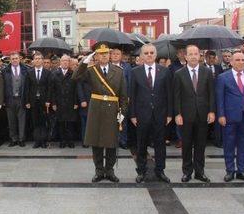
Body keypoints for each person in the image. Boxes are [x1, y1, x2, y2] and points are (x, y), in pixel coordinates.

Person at [72, 44, 127, 183]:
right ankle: (98, 171)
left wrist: (123, 112)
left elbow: (123, 95)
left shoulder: (118, 71)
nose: (103, 56)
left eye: (106, 53)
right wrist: (85, 61)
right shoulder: (91, 70)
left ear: (109, 55)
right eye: (100, 53)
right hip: (96, 109)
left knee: (111, 142)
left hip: (112, 109)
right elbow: (75, 77)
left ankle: (109, 170)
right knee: (96, 142)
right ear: (96, 56)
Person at [129, 44, 173, 183]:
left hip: (160, 115)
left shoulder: (165, 71)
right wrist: (132, 115)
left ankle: (160, 171)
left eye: (151, 52)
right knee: (141, 145)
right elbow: (132, 95)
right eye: (146, 53)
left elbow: (169, 94)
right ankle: (141, 171)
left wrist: (170, 114)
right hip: (142, 115)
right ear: (141, 56)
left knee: (160, 145)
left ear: (155, 55)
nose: (149, 55)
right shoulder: (135, 72)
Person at [216, 52, 244, 182]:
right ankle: (230, 171)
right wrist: (221, 115)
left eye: (243, 60)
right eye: (238, 60)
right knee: (229, 144)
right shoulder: (223, 77)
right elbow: (219, 99)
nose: (241, 62)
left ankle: (241, 170)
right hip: (229, 117)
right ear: (231, 62)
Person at [173, 45, 215, 182]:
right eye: (190, 54)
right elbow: (176, 96)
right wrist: (177, 114)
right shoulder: (179, 74)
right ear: (185, 56)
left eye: (195, 54)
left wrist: (212, 111)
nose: (193, 56)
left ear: (199, 56)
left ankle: (199, 172)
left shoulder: (207, 72)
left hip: (203, 115)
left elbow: (211, 94)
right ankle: (187, 172)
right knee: (186, 145)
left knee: (200, 145)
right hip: (185, 116)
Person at [25, 52, 53, 148]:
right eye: (35, 59)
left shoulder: (47, 73)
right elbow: (27, 88)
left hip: (44, 101)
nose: (37, 60)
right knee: (35, 122)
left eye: (39, 58)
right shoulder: (29, 73)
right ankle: (37, 141)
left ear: (42, 60)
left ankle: (44, 141)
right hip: (33, 101)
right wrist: (27, 101)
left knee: (44, 122)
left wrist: (48, 100)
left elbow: (50, 88)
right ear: (33, 61)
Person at [52, 54, 78, 148]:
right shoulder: (55, 73)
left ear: (69, 62)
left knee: (70, 123)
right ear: (60, 62)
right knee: (61, 122)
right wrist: (54, 103)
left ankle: (70, 141)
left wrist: (76, 102)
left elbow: (76, 89)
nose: (65, 62)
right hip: (59, 102)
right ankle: (62, 141)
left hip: (70, 102)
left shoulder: (73, 73)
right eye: (63, 61)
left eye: (67, 61)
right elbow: (52, 90)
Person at [2, 52, 28, 147]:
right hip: (10, 99)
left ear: (19, 59)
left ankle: (21, 139)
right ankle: (13, 139)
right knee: (11, 120)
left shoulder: (25, 69)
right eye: (13, 59)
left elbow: (28, 86)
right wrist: (3, 100)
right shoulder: (5, 71)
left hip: (21, 98)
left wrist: (27, 99)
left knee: (22, 120)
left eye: (16, 58)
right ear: (10, 60)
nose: (15, 60)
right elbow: (3, 87)